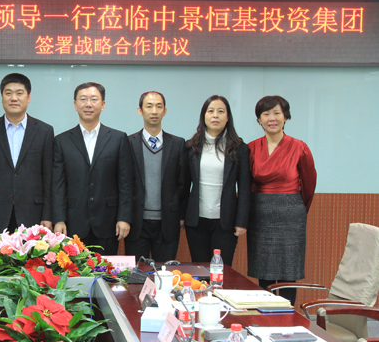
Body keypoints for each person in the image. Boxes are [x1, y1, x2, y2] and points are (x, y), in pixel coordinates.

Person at [247, 95, 316, 305]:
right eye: (266, 114)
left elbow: (309, 185)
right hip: (260, 214)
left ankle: (288, 316)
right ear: (259, 120)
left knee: (288, 272)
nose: (272, 118)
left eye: (277, 113)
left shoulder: (299, 147)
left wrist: (295, 208)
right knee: (264, 272)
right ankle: (264, 317)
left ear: (285, 117)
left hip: (290, 215)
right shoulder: (250, 148)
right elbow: (246, 184)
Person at [52, 82, 132, 254]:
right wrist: (59, 219)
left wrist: (124, 217)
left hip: (108, 222)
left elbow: (125, 183)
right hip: (73, 223)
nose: (88, 104)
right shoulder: (61, 141)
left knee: (106, 268)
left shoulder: (118, 139)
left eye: (94, 99)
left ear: (103, 105)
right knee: (74, 269)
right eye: (83, 99)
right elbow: (58, 185)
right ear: (75, 105)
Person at [0, 73, 54, 239]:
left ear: (28, 97)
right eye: (8, 93)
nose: (14, 98)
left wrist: (47, 215)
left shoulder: (44, 131)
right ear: (2, 97)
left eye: (19, 93)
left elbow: (48, 178)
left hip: (33, 214)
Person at [183, 95, 251, 265]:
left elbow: (244, 188)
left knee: (221, 269)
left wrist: (241, 221)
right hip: (196, 221)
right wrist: (181, 216)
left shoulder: (239, 148)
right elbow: (184, 185)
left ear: (227, 117)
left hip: (226, 222)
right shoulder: (191, 147)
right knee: (200, 268)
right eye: (211, 111)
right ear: (204, 116)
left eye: (221, 111)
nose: (215, 115)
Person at [125, 91, 187, 262]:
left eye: (159, 106)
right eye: (149, 106)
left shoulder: (178, 144)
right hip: (137, 223)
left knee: (165, 271)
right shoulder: (128, 143)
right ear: (140, 110)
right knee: (137, 272)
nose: (154, 111)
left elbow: (183, 183)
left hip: (167, 223)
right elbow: (124, 183)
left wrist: (180, 215)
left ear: (164, 111)